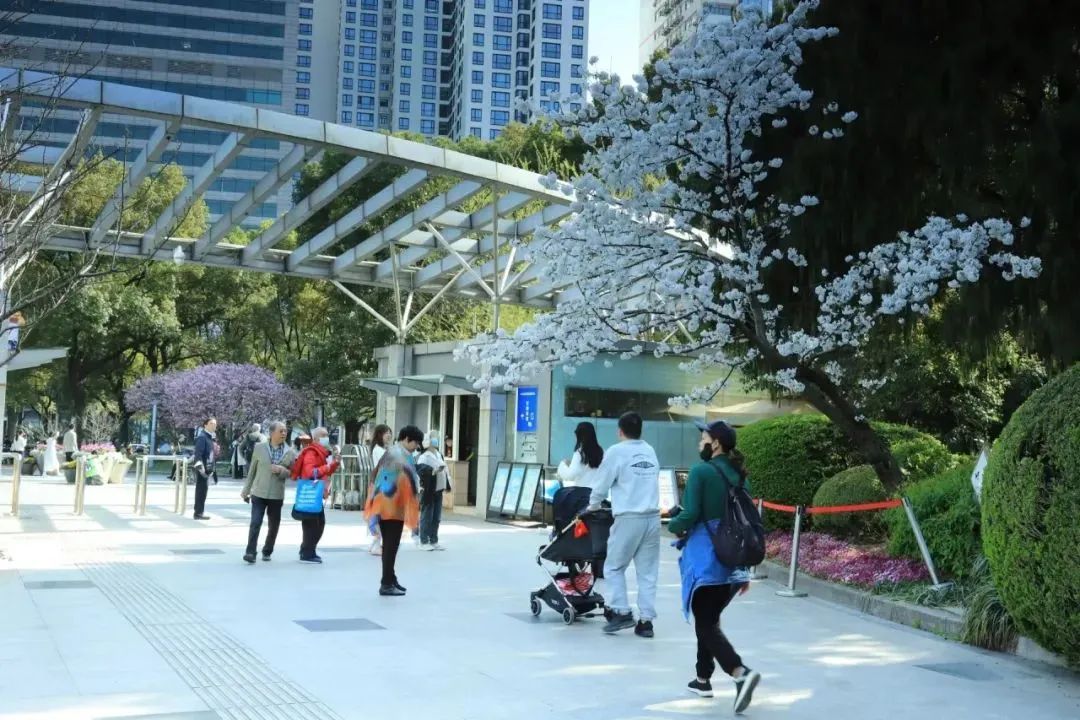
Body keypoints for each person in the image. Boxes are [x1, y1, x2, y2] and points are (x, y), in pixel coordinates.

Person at [667, 420, 761, 714]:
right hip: (734, 561)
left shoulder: (701, 471)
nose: (700, 443)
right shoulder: (740, 476)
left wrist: (672, 523)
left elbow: (691, 514)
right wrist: (743, 570)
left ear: (715, 443)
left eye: (703, 438)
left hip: (707, 557)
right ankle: (702, 679)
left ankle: (739, 672)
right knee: (709, 618)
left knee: (705, 623)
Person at [587, 412, 661, 638]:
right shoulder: (649, 450)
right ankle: (646, 622)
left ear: (620, 431)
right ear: (640, 430)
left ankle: (621, 611)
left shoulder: (616, 452)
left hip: (629, 517)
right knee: (648, 572)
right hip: (653, 518)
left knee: (613, 567)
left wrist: (593, 505)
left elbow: (602, 484)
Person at [364, 425, 422, 596]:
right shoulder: (400, 456)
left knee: (390, 545)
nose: (416, 447)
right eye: (415, 443)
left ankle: (391, 578)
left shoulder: (392, 452)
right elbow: (410, 481)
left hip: (383, 504)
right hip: (392, 507)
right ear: (407, 439)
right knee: (390, 545)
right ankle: (386, 583)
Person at [240, 421, 296, 564]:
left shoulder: (290, 451)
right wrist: (246, 490)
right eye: (281, 431)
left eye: (285, 431)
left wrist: (282, 470)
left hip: (276, 495)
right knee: (255, 522)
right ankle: (250, 552)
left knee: (273, 525)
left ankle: (267, 550)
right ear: (272, 433)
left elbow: (293, 473)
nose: (284, 433)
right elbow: (252, 470)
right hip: (259, 492)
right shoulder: (259, 448)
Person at [292, 426, 340, 564]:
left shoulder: (321, 453)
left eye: (327, 435)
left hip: (316, 494)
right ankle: (307, 553)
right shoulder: (311, 452)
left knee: (317, 524)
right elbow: (310, 473)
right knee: (312, 525)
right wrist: (328, 466)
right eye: (324, 435)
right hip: (311, 494)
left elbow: (325, 472)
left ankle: (307, 551)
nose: (327, 438)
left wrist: (334, 464)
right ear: (317, 438)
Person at [417, 430, 450, 551]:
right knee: (427, 515)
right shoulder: (424, 456)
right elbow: (420, 471)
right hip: (429, 490)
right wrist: (433, 471)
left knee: (436, 517)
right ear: (428, 441)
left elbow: (446, 472)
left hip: (439, 489)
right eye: (433, 438)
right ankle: (423, 540)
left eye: (436, 437)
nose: (436, 440)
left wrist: (448, 485)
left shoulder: (439, 454)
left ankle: (434, 540)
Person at [366, 424, 392, 556]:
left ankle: (375, 543)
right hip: (381, 485)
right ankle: (376, 544)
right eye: (386, 432)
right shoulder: (379, 450)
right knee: (379, 515)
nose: (389, 435)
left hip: (381, 484)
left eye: (390, 432)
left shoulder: (381, 449)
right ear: (380, 435)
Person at [557, 422, 604, 490]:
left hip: (583, 493)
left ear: (579, 436)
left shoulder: (580, 453)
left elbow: (570, 475)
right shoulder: (601, 451)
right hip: (599, 493)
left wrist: (562, 464)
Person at [192, 418, 217, 520]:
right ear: (205, 425)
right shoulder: (202, 437)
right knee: (201, 491)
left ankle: (199, 512)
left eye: (215, 424)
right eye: (211, 423)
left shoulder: (210, 437)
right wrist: (201, 468)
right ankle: (198, 513)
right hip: (203, 468)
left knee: (203, 491)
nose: (214, 425)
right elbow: (198, 453)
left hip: (208, 467)